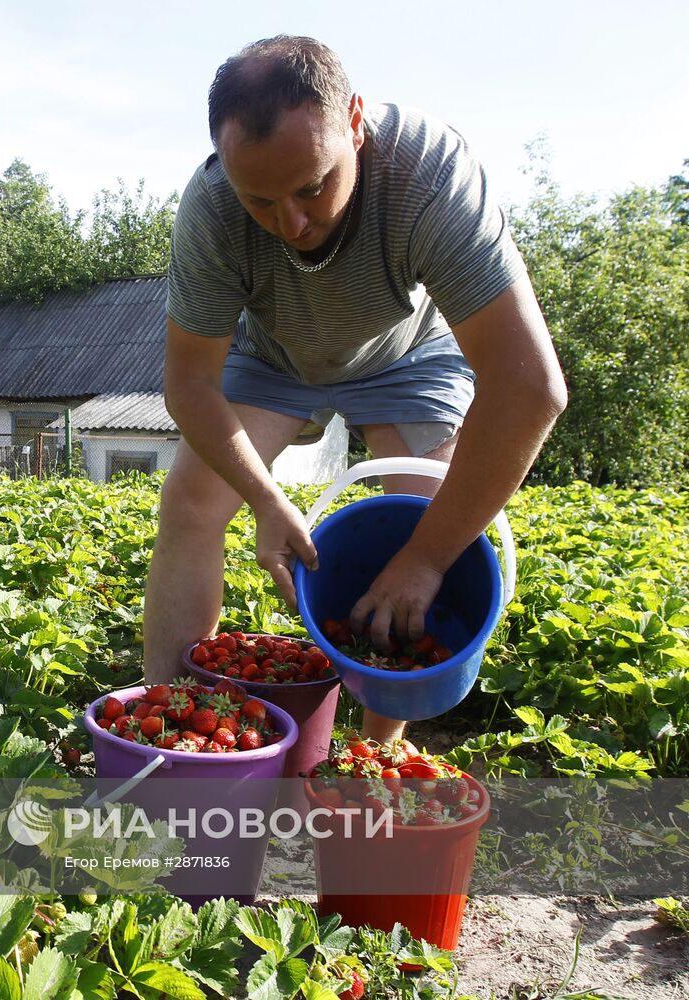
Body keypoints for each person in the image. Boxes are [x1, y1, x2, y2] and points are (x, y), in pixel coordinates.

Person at [144, 36, 567, 741]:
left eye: (312, 185)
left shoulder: (428, 173)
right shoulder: (212, 211)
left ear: (357, 121)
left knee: (420, 516)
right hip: (275, 352)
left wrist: (426, 556)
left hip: (406, 351)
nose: (293, 223)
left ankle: (372, 758)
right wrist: (265, 497)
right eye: (262, 199)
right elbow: (189, 381)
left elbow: (529, 388)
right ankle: (163, 724)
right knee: (190, 498)